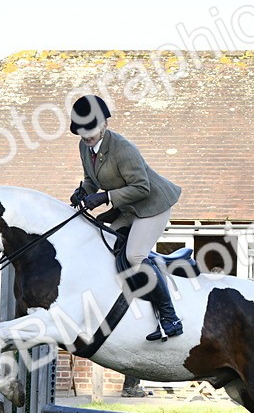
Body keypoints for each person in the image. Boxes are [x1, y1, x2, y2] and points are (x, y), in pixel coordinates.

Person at [67, 95, 184, 341]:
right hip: (128, 209)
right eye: (82, 130)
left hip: (152, 205)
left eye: (91, 128)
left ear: (104, 124)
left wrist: (105, 197)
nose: (86, 135)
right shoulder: (85, 147)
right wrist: (83, 192)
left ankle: (170, 317)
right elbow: (90, 179)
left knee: (134, 255)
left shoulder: (123, 149)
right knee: (104, 246)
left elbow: (142, 188)